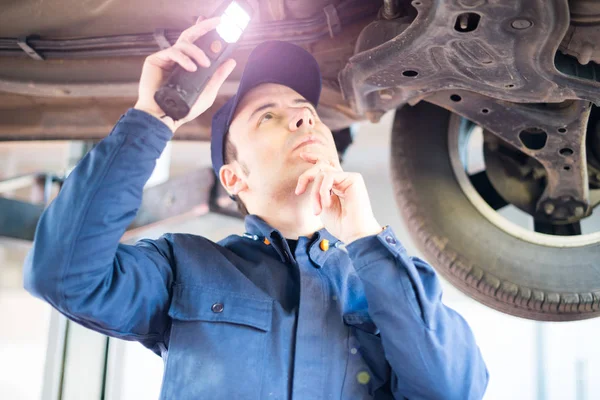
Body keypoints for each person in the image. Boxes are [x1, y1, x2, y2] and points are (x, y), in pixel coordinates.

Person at [24, 16, 489, 400]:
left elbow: (452, 390)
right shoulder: (183, 268)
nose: (303, 116)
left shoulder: (381, 281)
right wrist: (154, 117)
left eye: (306, 108)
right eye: (268, 115)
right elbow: (63, 275)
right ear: (234, 179)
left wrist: (367, 238)